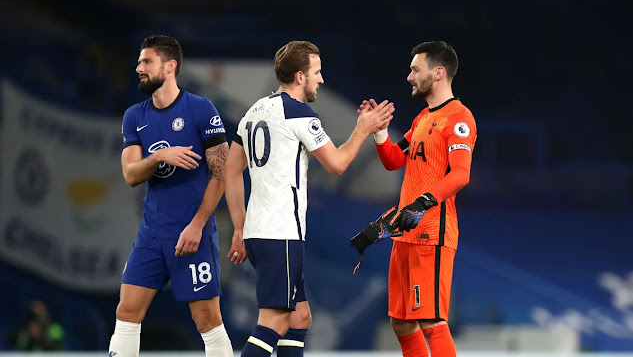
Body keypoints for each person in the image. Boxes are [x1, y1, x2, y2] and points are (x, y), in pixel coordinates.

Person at [223, 40, 395, 357]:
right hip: (281, 232)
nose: (321, 79)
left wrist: (238, 227)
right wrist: (362, 129)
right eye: (317, 72)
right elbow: (338, 164)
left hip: (260, 231)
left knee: (300, 316)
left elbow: (230, 171)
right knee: (274, 321)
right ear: (300, 76)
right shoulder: (300, 113)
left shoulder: (254, 112)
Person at [109, 35, 233, 357]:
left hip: (192, 231)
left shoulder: (201, 109)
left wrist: (197, 225)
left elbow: (222, 174)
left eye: (146, 61)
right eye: (139, 62)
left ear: (170, 66)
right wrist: (159, 157)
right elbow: (131, 175)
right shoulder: (135, 116)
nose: (138, 68)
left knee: (207, 319)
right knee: (127, 311)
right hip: (152, 232)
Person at [352, 41, 477, 357]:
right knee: (401, 322)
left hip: (431, 235)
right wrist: (380, 133)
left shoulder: (459, 119)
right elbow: (395, 159)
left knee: (431, 320)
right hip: (404, 235)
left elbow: (461, 175)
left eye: (414, 70)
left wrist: (422, 203)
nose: (409, 76)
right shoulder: (423, 118)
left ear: (438, 73)